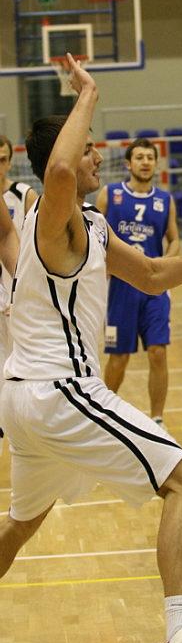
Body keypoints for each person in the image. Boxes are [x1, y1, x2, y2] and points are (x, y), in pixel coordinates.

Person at [0, 55, 182, 643]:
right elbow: (61, 166)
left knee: (21, 523)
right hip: (59, 391)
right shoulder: (54, 217)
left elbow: (149, 275)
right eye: (91, 148)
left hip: (25, 399)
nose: (98, 157)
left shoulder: (89, 225)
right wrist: (87, 91)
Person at [96, 138, 180, 429]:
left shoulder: (165, 200)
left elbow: (174, 239)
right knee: (119, 357)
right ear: (128, 163)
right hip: (120, 287)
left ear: (156, 164)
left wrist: (165, 263)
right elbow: (92, 232)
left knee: (158, 352)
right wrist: (100, 264)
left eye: (150, 158)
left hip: (154, 287)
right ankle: (102, 416)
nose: (145, 162)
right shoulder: (110, 194)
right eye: (139, 157)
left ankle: (157, 419)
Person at [0, 136, 38, 449]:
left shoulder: (24, 195)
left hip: (16, 297)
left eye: (2, 159)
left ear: (11, 161)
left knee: (20, 371)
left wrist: (24, 290)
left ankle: (25, 436)